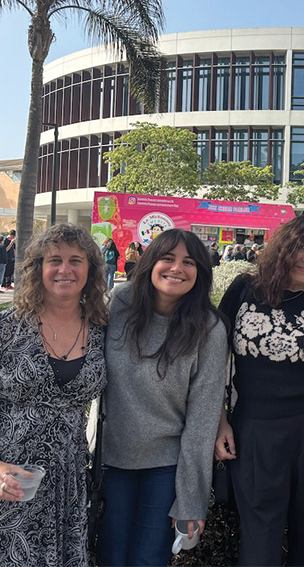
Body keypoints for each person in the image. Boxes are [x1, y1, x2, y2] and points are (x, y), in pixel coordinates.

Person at [0, 223, 108, 566]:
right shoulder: (2, 328)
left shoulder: (104, 332)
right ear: (37, 268)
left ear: (90, 269)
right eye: (54, 260)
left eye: (76, 260)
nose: (65, 269)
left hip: (62, 482)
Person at [215, 215, 304, 566]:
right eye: (301, 246)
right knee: (258, 542)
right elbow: (214, 363)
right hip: (255, 432)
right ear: (282, 246)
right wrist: (219, 422)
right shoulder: (243, 290)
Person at [97, 228, 228, 566]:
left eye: (189, 262)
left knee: (148, 559)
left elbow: (202, 420)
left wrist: (191, 499)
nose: (176, 268)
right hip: (112, 460)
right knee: (109, 556)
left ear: (201, 272)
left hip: (166, 466)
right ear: (150, 262)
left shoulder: (210, 329)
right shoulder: (119, 303)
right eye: (167, 258)